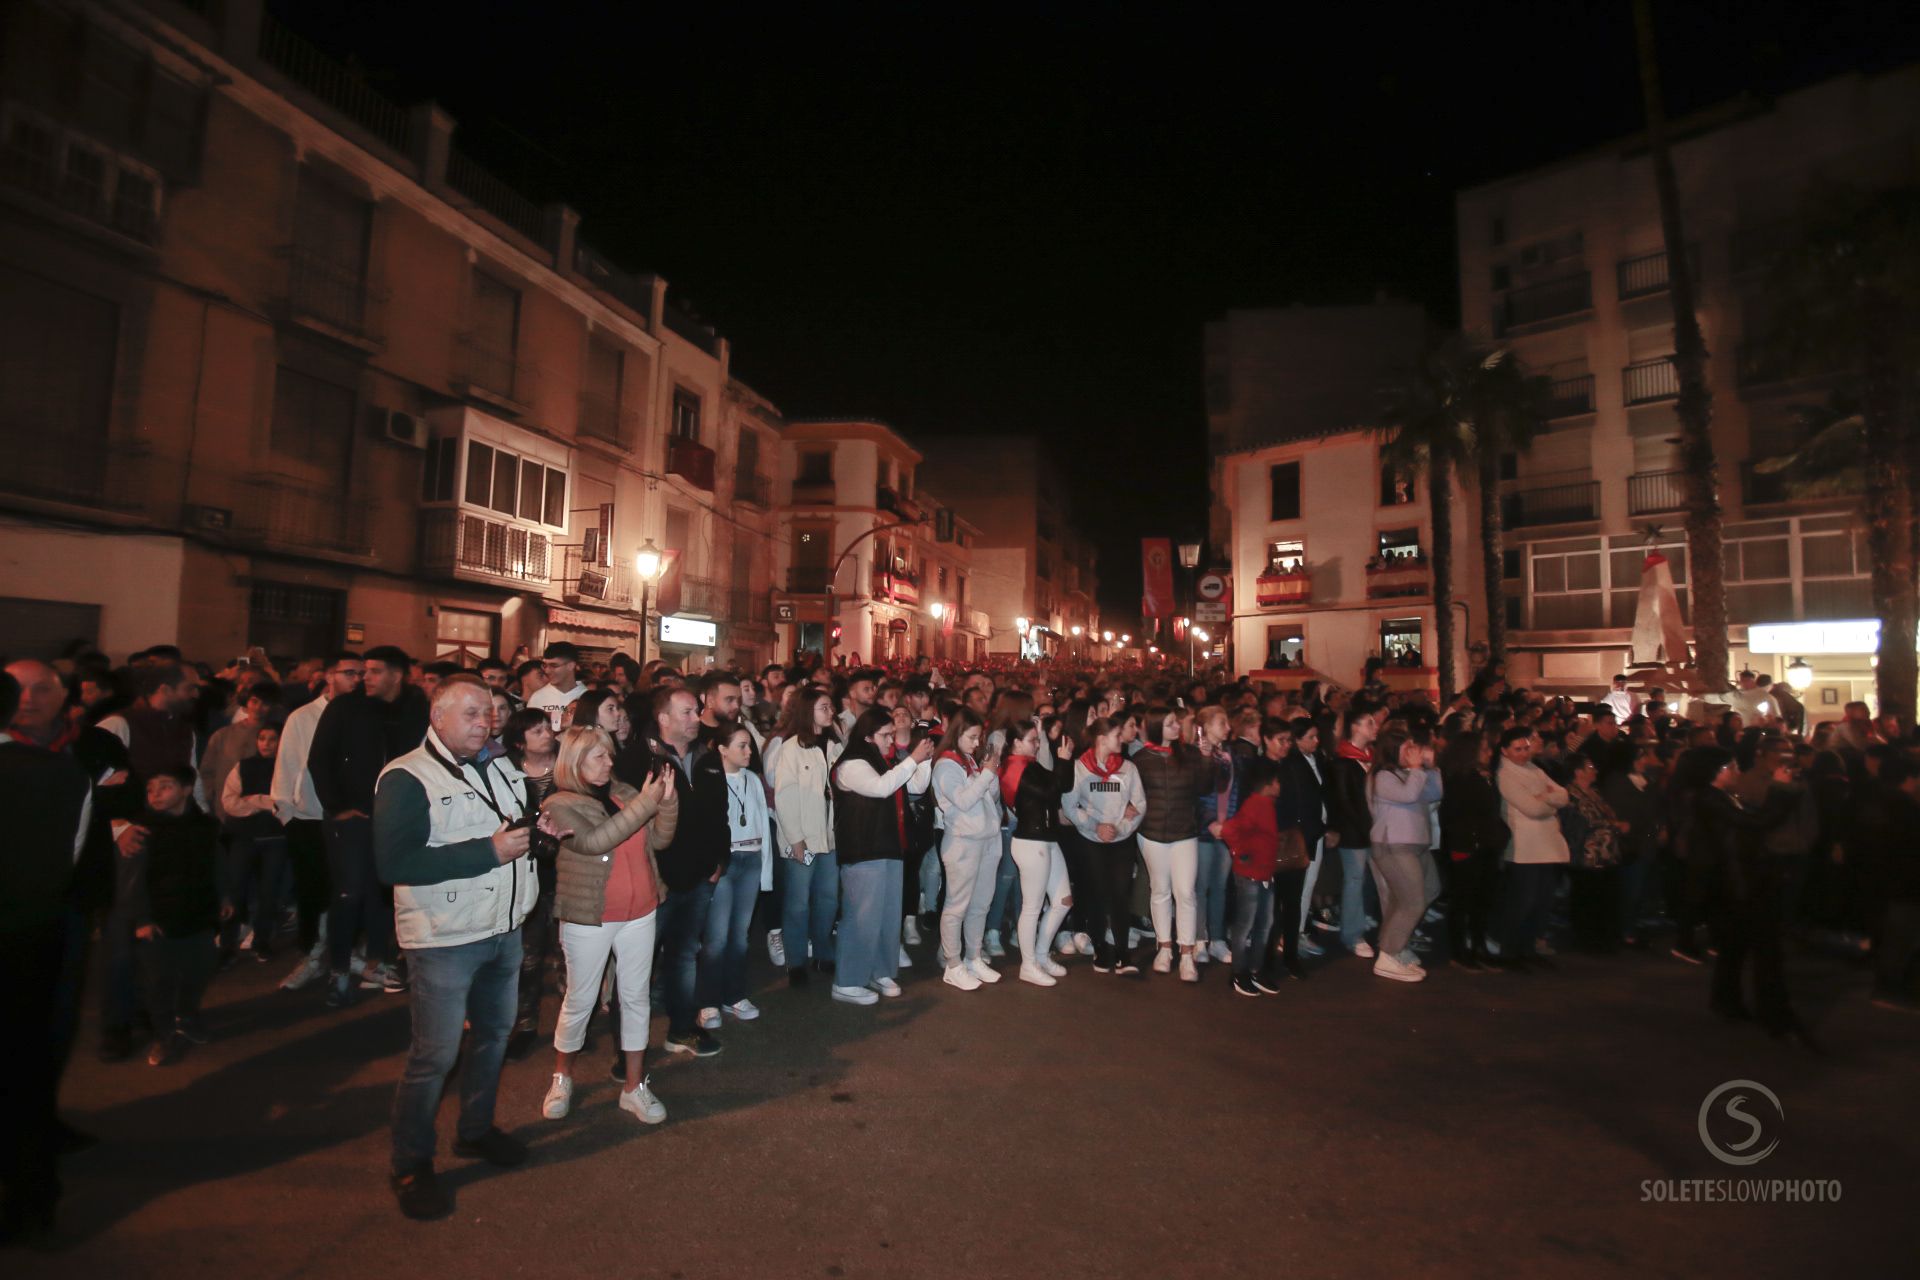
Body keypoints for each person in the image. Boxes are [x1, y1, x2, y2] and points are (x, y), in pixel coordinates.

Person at [372, 678, 561, 1219]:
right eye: (472, 714)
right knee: (434, 1056)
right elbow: (396, 863)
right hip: (445, 938)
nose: (485, 723)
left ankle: (475, 1131)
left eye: (490, 714)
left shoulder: (500, 767)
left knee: (492, 1040)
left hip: (503, 930)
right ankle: (410, 1163)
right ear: (437, 717)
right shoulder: (407, 776)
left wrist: (537, 834)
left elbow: (511, 832)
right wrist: (491, 851)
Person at [540, 725, 680, 1115]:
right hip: (590, 916)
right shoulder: (559, 803)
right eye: (598, 756)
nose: (609, 761)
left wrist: (666, 803)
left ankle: (634, 1087)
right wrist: (647, 805)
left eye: (608, 754)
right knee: (580, 1000)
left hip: (641, 910)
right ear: (575, 761)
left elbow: (660, 840)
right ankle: (562, 1079)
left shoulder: (624, 793)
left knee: (635, 998)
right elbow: (594, 840)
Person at [0, 672, 92, 1243]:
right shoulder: (65, 774)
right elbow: (74, 853)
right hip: (36, 932)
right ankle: (32, 1199)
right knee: (25, 1063)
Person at [309, 645, 429, 1004]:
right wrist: (337, 806)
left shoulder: (416, 708)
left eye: (374, 671)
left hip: (396, 820)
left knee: (389, 893)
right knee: (350, 893)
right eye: (363, 671)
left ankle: (381, 960)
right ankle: (339, 969)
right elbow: (320, 758)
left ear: (397, 674)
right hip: (354, 819)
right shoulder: (346, 706)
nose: (365, 678)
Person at [270, 652, 361, 992]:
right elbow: (288, 765)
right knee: (313, 889)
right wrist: (287, 813)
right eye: (349, 672)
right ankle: (311, 953)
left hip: (351, 817)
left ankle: (342, 951)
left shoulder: (362, 715)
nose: (357, 679)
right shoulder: (303, 717)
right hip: (309, 814)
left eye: (362, 673)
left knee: (347, 888)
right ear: (329, 676)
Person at [831, 707, 934, 1004]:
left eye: (892, 734)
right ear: (867, 736)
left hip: (890, 845)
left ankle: (880, 970)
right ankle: (848, 980)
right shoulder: (851, 764)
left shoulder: (888, 759)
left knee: (889, 916)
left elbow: (916, 786)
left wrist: (922, 760)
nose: (891, 739)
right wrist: (912, 760)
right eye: (885, 735)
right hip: (863, 848)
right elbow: (880, 788)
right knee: (861, 917)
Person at [128, 766, 224, 1064]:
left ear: (185, 789)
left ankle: (188, 1014)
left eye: (165, 786)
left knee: (199, 969)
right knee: (159, 980)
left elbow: (218, 863)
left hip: (199, 913)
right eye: (151, 789)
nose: (156, 794)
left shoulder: (206, 826)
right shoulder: (142, 830)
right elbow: (133, 878)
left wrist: (227, 896)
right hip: (159, 918)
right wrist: (142, 918)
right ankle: (164, 1034)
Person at [695, 724, 774, 1028]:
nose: (748, 751)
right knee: (716, 936)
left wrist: (765, 872)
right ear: (722, 749)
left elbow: (763, 828)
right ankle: (708, 1001)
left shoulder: (753, 780)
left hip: (751, 858)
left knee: (739, 936)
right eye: (741, 745)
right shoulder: (711, 780)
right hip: (725, 861)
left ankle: (734, 995)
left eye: (749, 746)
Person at [1132, 704, 1210, 982]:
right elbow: (1134, 794)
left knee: (1185, 892)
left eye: (1176, 722)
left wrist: (1207, 760)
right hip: (1151, 832)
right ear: (1156, 727)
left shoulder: (1189, 755)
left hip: (1184, 832)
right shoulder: (1141, 758)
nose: (1176, 727)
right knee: (1160, 890)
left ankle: (1187, 952)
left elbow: (1205, 788)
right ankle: (1164, 947)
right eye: (1169, 724)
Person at [771, 689, 842, 985]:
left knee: (827, 898)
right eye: (824, 707)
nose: (830, 712)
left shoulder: (836, 746)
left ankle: (823, 952)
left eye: (831, 707)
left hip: (830, 835)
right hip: (803, 835)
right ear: (807, 711)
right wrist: (795, 838)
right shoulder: (792, 748)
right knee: (798, 902)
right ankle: (796, 960)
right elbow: (785, 796)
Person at [500, 710, 560, 1060]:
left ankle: (572, 1026)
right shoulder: (506, 773)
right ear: (520, 741)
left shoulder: (567, 768)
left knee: (567, 954)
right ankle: (525, 1024)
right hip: (525, 871)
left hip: (564, 869)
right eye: (536, 731)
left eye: (547, 727)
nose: (546, 734)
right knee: (529, 957)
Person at [1066, 717, 1148, 974]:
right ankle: (1101, 947)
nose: (1121, 740)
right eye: (1116, 735)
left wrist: (1119, 828)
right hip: (1091, 841)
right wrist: (1096, 826)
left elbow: (1140, 805)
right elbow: (1070, 806)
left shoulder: (1128, 769)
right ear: (1102, 739)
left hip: (1121, 842)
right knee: (1098, 895)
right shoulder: (1079, 768)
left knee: (1120, 895)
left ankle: (1123, 952)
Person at [932, 709, 1005, 990]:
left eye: (979, 737)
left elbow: (991, 797)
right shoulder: (946, 765)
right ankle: (953, 964)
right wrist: (986, 774)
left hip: (987, 838)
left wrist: (990, 772)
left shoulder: (970, 762)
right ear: (957, 734)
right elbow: (963, 801)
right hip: (963, 841)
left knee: (980, 905)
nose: (977, 743)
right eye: (972, 737)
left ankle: (973, 957)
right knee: (957, 906)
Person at [1366, 724, 1441, 984]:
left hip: (1416, 844)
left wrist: (1429, 768)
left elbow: (1434, 793)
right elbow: (1408, 796)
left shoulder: (1409, 773)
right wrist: (1418, 770)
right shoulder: (1382, 776)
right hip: (1393, 845)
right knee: (1412, 901)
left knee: (1427, 891)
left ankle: (1394, 945)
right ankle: (1388, 955)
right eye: (1407, 748)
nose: (1413, 753)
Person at [1002, 717, 1073, 986]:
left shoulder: (1029, 765)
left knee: (1063, 900)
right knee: (1032, 907)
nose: (1037, 744)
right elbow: (1050, 791)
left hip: (1046, 840)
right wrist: (1063, 761)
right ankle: (1028, 964)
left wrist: (1062, 762)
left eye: (1037, 740)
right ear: (1016, 743)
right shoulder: (1012, 768)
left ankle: (1040, 955)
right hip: (1031, 842)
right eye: (1032, 740)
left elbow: (1061, 786)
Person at [1495, 727, 1570, 971]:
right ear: (1505, 751)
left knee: (1541, 901)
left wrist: (1544, 799)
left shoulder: (1534, 769)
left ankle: (1528, 948)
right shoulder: (1505, 774)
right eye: (1518, 749)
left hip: (1545, 843)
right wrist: (1548, 801)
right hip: (1524, 847)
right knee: (1523, 902)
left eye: (1526, 748)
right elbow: (1532, 808)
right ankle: (1511, 951)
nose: (1524, 754)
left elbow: (1563, 795)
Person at [1212, 759, 1283, 997]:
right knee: (1247, 925)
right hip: (1252, 875)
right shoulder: (1258, 805)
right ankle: (1240, 973)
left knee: (1264, 922)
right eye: (1277, 781)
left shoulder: (1265, 804)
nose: (1279, 785)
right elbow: (1231, 829)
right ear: (1270, 783)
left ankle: (1255, 969)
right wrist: (1240, 854)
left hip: (1263, 874)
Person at [1437, 733, 1506, 970]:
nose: (1489, 753)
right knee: (1463, 900)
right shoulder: (1460, 779)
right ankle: (1459, 950)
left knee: (1482, 900)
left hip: (1486, 845)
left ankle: (1478, 945)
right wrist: (1469, 840)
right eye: (1484, 749)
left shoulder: (1485, 777)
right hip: (1467, 846)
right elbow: (1453, 817)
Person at [221, 721, 288, 963]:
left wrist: (252, 801)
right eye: (262, 738)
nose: (266, 744)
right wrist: (263, 802)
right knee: (235, 891)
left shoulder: (287, 767)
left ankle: (262, 941)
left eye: (272, 738)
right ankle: (227, 945)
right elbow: (230, 802)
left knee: (268, 893)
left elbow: (285, 803)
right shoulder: (245, 766)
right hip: (244, 837)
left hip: (276, 838)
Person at [1325, 707, 1379, 958]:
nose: (1375, 726)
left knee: (1366, 879)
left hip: (1371, 829)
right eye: (1369, 722)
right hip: (1354, 832)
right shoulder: (1344, 761)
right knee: (1355, 880)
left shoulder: (1370, 757)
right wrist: (1367, 826)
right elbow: (1345, 802)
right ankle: (1352, 933)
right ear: (1355, 727)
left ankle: (1361, 918)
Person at [1561, 754, 1627, 952]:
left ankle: (1604, 936)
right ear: (1578, 771)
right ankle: (1587, 939)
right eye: (1590, 767)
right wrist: (1614, 825)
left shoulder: (1595, 792)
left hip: (1606, 853)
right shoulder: (1571, 795)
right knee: (1587, 896)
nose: (1594, 770)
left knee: (1605, 896)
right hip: (1587, 854)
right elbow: (1584, 822)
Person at [526, 642, 586, 730]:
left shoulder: (587, 695)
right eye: (545, 665)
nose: (547, 671)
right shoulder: (538, 697)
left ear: (571, 666)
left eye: (554, 665)